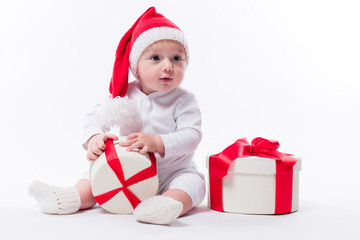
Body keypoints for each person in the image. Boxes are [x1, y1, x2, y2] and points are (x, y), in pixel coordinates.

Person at [28, 7, 206, 225]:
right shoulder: (124, 94)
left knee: (193, 183)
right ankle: (70, 198)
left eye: (177, 58)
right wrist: (94, 137)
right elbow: (94, 117)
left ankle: (165, 205)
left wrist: (157, 142)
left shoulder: (184, 100)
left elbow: (192, 136)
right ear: (136, 68)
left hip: (173, 172)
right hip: (128, 167)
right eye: (156, 58)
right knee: (94, 176)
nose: (168, 66)